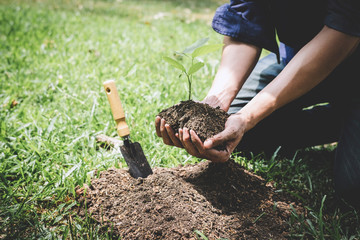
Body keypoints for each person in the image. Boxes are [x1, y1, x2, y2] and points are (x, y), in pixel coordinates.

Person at [155, 0, 360, 205]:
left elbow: (343, 30)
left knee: (353, 187)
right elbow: (246, 22)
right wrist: (215, 105)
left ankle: (348, 116)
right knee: (226, 131)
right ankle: (340, 121)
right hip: (298, 57)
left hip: (346, 55)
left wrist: (247, 117)